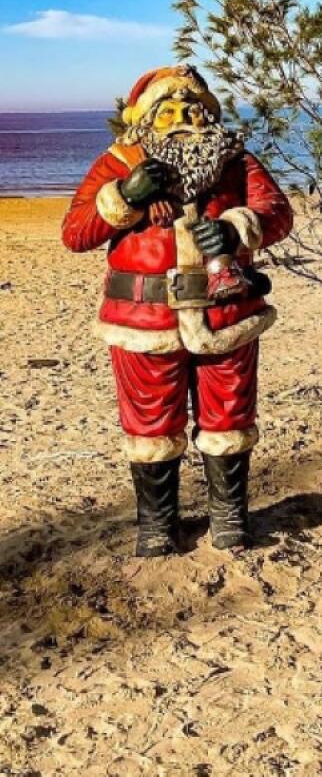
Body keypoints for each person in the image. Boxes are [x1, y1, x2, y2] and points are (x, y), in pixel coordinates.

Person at [62, 64, 293, 556]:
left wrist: (236, 229)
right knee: (150, 424)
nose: (184, 117)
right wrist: (124, 197)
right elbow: (75, 232)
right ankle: (157, 525)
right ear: (145, 117)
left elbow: (279, 213)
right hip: (145, 320)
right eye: (169, 110)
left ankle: (229, 517)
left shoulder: (235, 161)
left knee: (229, 415)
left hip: (226, 315)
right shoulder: (118, 162)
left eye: (194, 109)